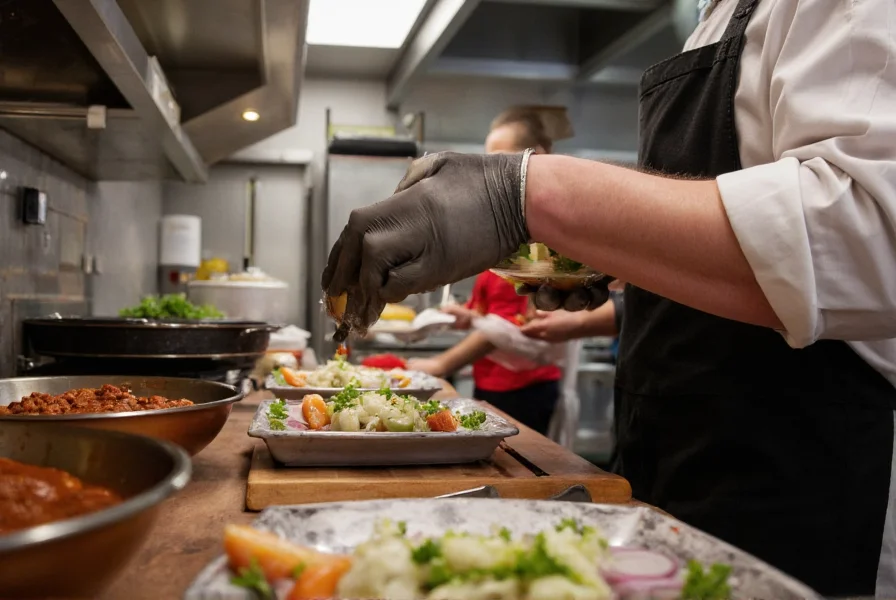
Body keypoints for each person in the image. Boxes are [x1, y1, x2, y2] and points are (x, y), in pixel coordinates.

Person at [322, 0, 896, 595]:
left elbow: (870, 240)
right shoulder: (714, 18)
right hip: (665, 454)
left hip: (799, 484)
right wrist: (608, 254)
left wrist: (532, 196)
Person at [408, 108, 562, 435]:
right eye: (488, 161)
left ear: (538, 158)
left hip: (523, 388)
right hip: (492, 381)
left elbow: (512, 325)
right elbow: (492, 311)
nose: (492, 173)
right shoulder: (510, 231)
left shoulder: (541, 239)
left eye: (503, 160)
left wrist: (442, 364)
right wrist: (467, 315)